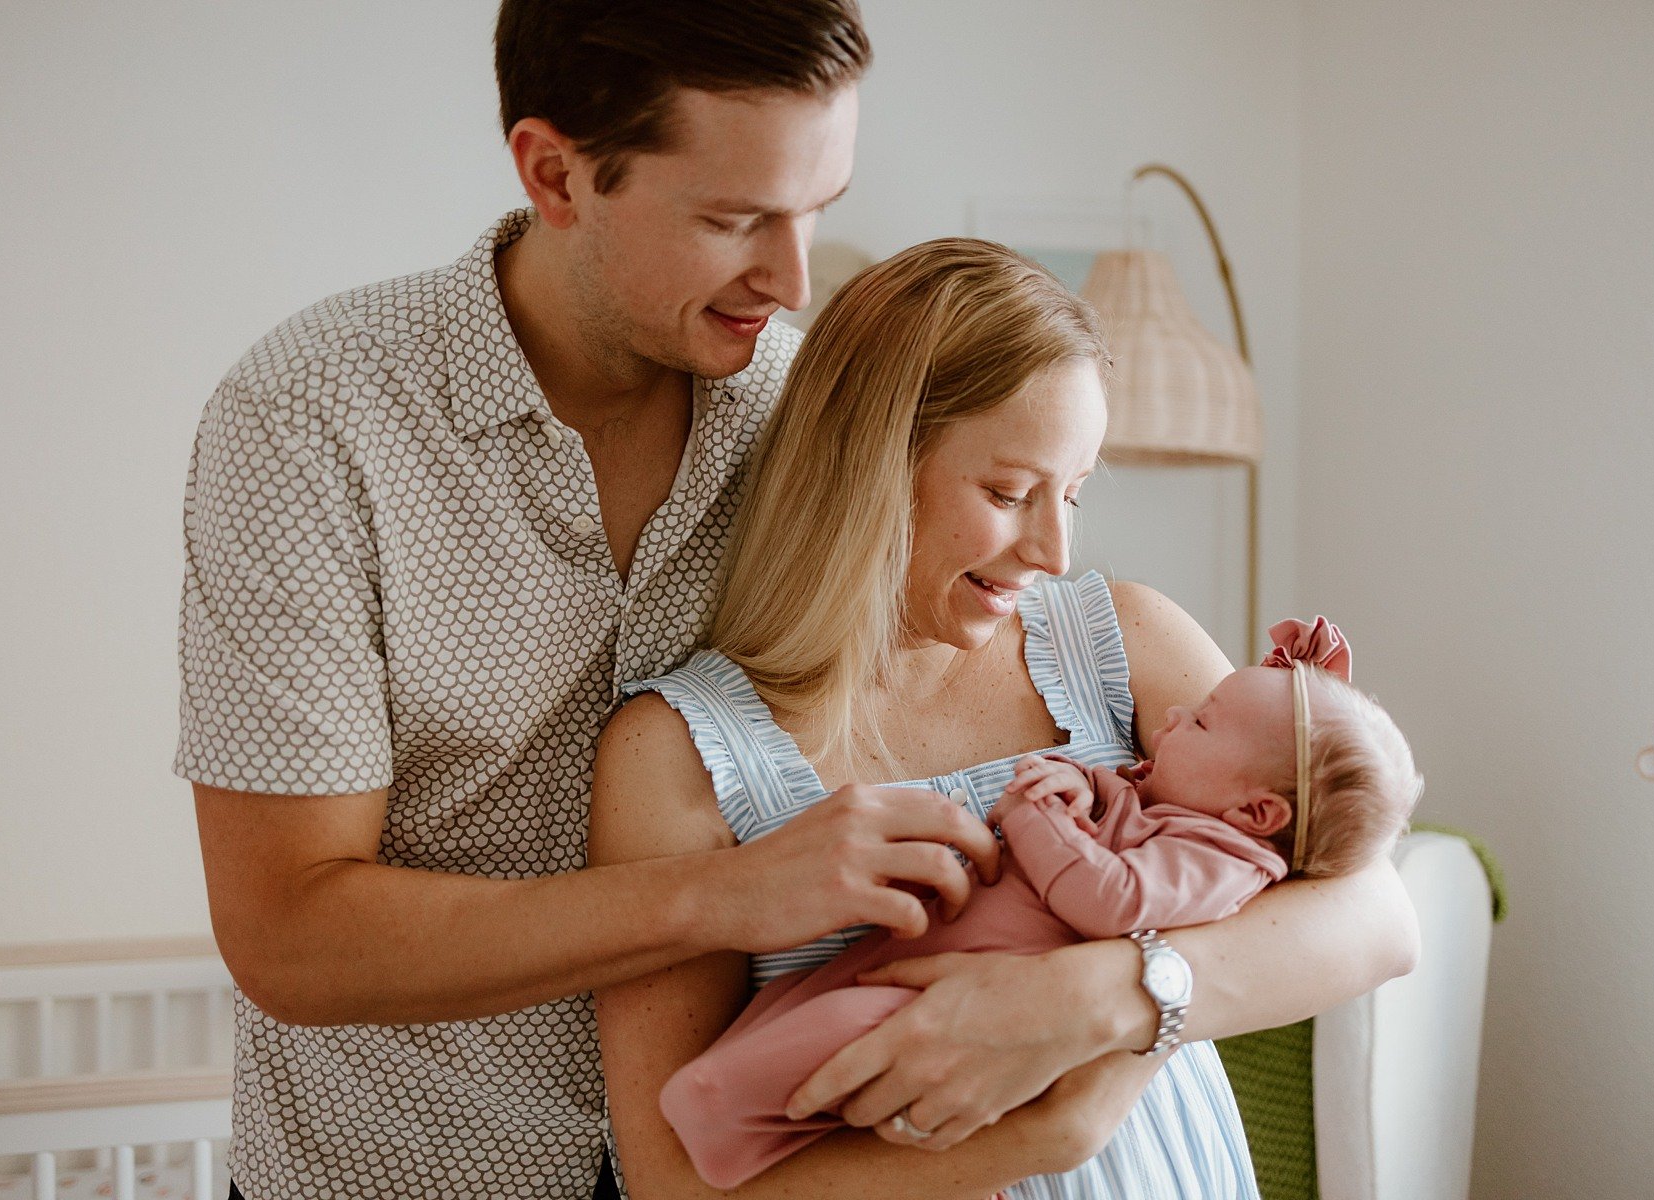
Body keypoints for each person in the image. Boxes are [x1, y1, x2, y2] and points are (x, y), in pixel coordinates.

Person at [179, 4, 1414, 1198]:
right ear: (555, 174)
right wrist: (724, 897)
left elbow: (1358, 899)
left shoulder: (813, 410)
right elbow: (289, 938)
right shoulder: (315, 423)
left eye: (818, 208)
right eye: (735, 218)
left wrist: (1106, 1009)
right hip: (419, 1166)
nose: (790, 276)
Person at [590, 239, 1419, 1199]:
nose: (1056, 551)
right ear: (868, 465)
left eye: (1074, 493)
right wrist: (1050, 1134)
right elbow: (672, 1180)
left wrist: (1101, 1001)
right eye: (1010, 493)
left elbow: (1377, 919)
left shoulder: (1125, 641)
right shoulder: (678, 754)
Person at [651, 617, 1422, 1188]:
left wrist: (1032, 811)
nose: (1175, 716)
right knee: (793, 1007)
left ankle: (724, 1126)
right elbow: (1110, 802)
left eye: (1202, 721)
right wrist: (1078, 783)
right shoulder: (1171, 800)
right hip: (924, 957)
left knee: (828, 1048)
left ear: (1258, 812)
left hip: (963, 1001)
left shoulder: (1225, 859)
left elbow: (1113, 898)